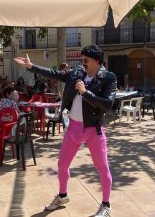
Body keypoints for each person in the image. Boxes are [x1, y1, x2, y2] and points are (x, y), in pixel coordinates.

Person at [14, 45, 116, 217]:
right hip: (74, 127)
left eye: (86, 60)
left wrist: (85, 92)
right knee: (62, 165)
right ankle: (63, 196)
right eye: (81, 60)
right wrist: (32, 66)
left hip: (93, 129)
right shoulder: (77, 73)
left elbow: (107, 104)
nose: (82, 63)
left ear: (97, 61)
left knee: (102, 167)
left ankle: (106, 205)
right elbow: (54, 74)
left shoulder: (108, 77)